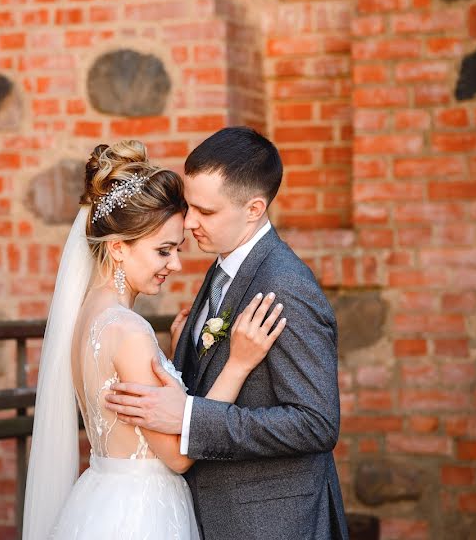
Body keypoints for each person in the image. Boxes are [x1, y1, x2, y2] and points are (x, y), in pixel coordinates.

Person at [23, 140, 286, 539]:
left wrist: (171, 358)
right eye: (163, 251)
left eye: (177, 249)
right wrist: (238, 363)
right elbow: (179, 457)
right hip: (142, 514)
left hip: (100, 497)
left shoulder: (87, 316)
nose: (176, 265)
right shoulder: (129, 331)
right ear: (117, 249)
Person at [104, 127, 349, 539]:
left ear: (253, 209)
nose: (189, 222)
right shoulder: (223, 267)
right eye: (189, 206)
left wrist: (189, 418)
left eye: (207, 212)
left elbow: (316, 423)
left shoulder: (285, 285)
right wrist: (182, 353)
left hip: (271, 524)